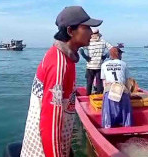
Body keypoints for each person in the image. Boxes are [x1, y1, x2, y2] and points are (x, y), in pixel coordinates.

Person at [20, 6, 102, 157]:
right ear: (71, 31)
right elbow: (50, 122)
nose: (91, 33)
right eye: (87, 28)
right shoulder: (59, 64)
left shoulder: (65, 58)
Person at [101, 47, 133, 128]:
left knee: (108, 112)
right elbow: (128, 81)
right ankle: (127, 126)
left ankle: (107, 126)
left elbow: (104, 82)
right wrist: (129, 93)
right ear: (118, 54)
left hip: (109, 90)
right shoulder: (123, 64)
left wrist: (104, 94)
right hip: (122, 90)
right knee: (126, 113)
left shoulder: (104, 65)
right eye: (121, 53)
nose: (122, 55)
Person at [79, 28, 112, 95]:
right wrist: (105, 56)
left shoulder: (88, 42)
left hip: (90, 66)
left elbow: (81, 50)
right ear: (98, 35)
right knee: (99, 82)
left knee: (89, 83)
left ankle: (88, 96)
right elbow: (112, 49)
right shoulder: (103, 42)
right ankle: (99, 97)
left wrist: (86, 57)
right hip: (99, 66)